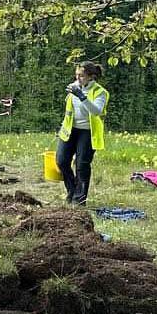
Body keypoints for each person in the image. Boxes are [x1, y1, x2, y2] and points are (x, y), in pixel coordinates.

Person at [56, 61, 109, 206]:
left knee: (81, 166)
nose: (78, 78)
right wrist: (62, 127)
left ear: (91, 77)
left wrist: (82, 97)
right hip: (70, 130)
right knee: (61, 161)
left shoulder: (100, 92)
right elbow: (69, 110)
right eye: (77, 75)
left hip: (87, 132)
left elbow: (96, 111)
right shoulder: (74, 87)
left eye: (81, 76)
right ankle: (72, 191)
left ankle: (79, 200)